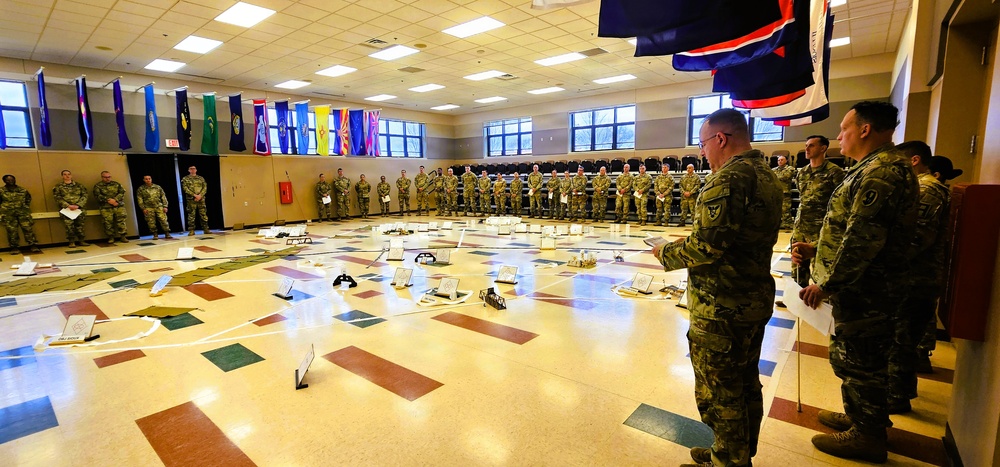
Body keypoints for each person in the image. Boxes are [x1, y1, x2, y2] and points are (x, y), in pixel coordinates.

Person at [654, 109, 782, 467]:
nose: (702, 152)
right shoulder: (767, 175)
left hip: (722, 305)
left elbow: (707, 248)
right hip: (753, 297)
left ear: (720, 139)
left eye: (702, 144)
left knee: (721, 390)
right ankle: (735, 453)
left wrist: (665, 251)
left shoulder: (727, 179)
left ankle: (728, 461)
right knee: (745, 382)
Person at [793, 101, 918, 463]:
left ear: (865, 129)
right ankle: (862, 418)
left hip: (868, 289)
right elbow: (850, 228)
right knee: (857, 360)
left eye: (844, 128)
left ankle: (867, 436)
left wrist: (827, 284)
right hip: (863, 286)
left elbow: (863, 240)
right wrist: (817, 248)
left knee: (862, 362)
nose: (839, 136)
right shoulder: (873, 168)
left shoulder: (881, 173)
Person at [885, 142, 951, 413]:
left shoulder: (927, 190)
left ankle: (895, 397)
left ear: (913, 160)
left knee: (901, 340)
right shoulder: (918, 187)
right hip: (910, 277)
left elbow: (916, 239)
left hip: (916, 279)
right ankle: (899, 391)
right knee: (901, 339)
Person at [915, 155, 962, 372]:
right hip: (927, 268)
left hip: (922, 268)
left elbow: (919, 237)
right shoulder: (940, 192)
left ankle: (920, 355)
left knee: (919, 314)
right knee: (923, 313)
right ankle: (920, 353)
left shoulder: (931, 192)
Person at [790, 136, 845, 288]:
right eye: (806, 145)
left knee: (820, 272)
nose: (807, 149)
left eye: (811, 145)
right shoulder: (803, 172)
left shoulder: (835, 172)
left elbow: (840, 201)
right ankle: (797, 297)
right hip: (801, 227)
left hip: (821, 228)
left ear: (823, 148)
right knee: (798, 270)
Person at [1, 174, 40, 254]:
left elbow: (28, 199)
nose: (11, 181)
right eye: (8, 180)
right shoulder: (1, 191)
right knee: (12, 231)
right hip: (8, 214)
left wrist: (24, 207)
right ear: (4, 181)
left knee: (28, 229)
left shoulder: (22, 190)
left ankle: (33, 245)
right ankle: (14, 247)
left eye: (12, 179)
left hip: (23, 213)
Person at [53, 170, 89, 247]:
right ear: (62, 176)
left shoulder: (79, 186)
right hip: (67, 210)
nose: (67, 176)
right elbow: (58, 198)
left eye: (69, 174)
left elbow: (85, 196)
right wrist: (68, 205)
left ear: (71, 175)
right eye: (65, 174)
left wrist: (78, 205)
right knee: (69, 227)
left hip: (79, 209)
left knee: (80, 226)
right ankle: (71, 242)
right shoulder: (58, 187)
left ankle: (81, 240)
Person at [93, 171, 128, 244]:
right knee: (108, 223)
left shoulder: (116, 184)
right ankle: (111, 237)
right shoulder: (98, 186)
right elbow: (97, 196)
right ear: (102, 177)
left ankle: (123, 236)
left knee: (121, 221)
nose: (108, 178)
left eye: (109, 177)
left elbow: (122, 192)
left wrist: (115, 200)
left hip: (118, 205)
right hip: (106, 207)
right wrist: (108, 200)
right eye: (105, 177)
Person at [181, 165, 210, 235]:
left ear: (196, 170)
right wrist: (195, 195)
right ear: (189, 170)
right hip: (191, 199)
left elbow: (205, 187)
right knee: (191, 215)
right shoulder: (185, 179)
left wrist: (200, 195)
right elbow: (185, 189)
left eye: (194, 169)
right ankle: (191, 230)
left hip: (201, 199)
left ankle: (206, 229)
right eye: (191, 169)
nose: (193, 170)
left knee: (203, 214)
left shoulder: (201, 178)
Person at [773, 155, 797, 229]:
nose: (780, 161)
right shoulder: (773, 170)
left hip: (785, 193)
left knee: (785, 210)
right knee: (776, 209)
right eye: (778, 160)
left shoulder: (790, 169)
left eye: (782, 160)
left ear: (786, 161)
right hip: (776, 192)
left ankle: (787, 224)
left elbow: (788, 176)